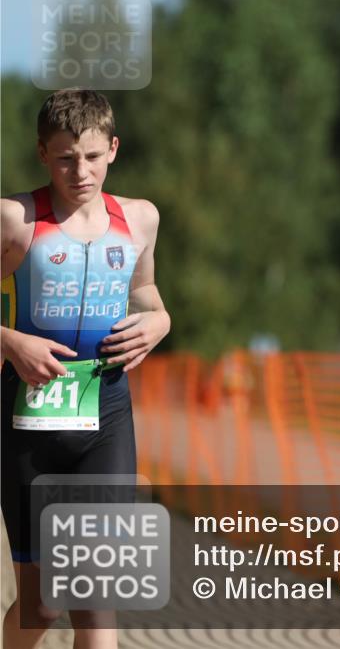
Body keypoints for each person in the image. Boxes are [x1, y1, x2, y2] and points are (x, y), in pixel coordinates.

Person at [0, 89, 170, 649]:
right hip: (30, 418)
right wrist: (11, 343)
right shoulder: (15, 219)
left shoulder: (139, 219)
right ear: (42, 154)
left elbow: (145, 292)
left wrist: (160, 322)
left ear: (114, 149)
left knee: (96, 601)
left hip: (107, 417)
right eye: (67, 157)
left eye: (93, 156)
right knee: (43, 607)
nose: (81, 171)